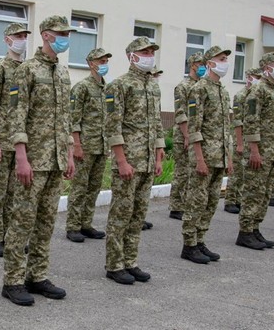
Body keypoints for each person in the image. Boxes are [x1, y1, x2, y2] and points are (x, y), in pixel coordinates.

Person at [1, 15, 75, 306]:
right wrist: (21, 156)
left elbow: (66, 119)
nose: (65, 37)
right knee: (22, 221)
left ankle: (37, 275)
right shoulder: (27, 70)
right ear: (46, 35)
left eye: (67, 33)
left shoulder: (63, 73)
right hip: (33, 159)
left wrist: (69, 154)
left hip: (55, 160)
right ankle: (13, 281)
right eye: (60, 33)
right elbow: (16, 116)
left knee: (46, 223)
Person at [102, 37, 164, 285]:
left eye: (151, 51)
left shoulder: (153, 86)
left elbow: (158, 123)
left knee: (138, 214)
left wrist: (159, 153)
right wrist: (121, 161)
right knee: (121, 213)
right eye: (145, 51)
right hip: (129, 161)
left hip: (147, 160)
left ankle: (131, 261)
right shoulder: (119, 85)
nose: (150, 54)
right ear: (132, 56)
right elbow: (112, 126)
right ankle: (114, 265)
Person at [180, 46, 232, 264]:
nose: (225, 63)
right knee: (196, 200)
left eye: (226, 59)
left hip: (219, 156)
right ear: (209, 63)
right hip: (204, 157)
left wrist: (228, 157)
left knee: (211, 201)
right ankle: (189, 244)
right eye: (221, 59)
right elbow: (194, 127)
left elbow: (225, 127)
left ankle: (201, 240)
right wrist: (199, 158)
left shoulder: (222, 91)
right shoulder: (199, 90)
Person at [0, 22, 30, 257]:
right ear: (7, 39)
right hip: (2, 140)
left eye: (24, 35)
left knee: (18, 193)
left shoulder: (29, 69)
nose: (22, 39)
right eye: (17, 35)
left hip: (23, 143)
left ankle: (12, 235)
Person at [237, 52, 274, 250]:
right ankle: (245, 232)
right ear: (266, 67)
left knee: (266, 193)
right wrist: (254, 151)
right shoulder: (258, 91)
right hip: (262, 152)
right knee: (254, 192)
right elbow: (251, 122)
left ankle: (255, 227)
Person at [66, 47, 112, 243]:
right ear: (90, 63)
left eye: (105, 61)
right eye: (100, 61)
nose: (104, 64)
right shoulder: (82, 87)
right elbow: (73, 118)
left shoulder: (107, 88)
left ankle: (86, 223)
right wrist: (76, 144)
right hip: (84, 145)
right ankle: (73, 226)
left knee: (94, 187)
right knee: (79, 187)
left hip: (101, 146)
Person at [168, 52, 205, 221]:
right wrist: (186, 135)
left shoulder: (203, 86)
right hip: (184, 135)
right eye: (200, 63)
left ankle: (188, 202)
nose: (203, 66)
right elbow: (181, 114)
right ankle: (176, 206)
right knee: (182, 171)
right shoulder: (183, 86)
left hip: (197, 135)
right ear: (193, 65)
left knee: (192, 172)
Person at [225, 68, 261, 214]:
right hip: (241, 139)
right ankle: (230, 200)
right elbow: (238, 121)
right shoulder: (240, 96)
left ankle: (239, 199)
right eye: (255, 76)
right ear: (248, 77)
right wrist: (239, 143)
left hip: (250, 139)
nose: (257, 79)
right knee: (237, 172)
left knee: (245, 172)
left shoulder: (256, 95)